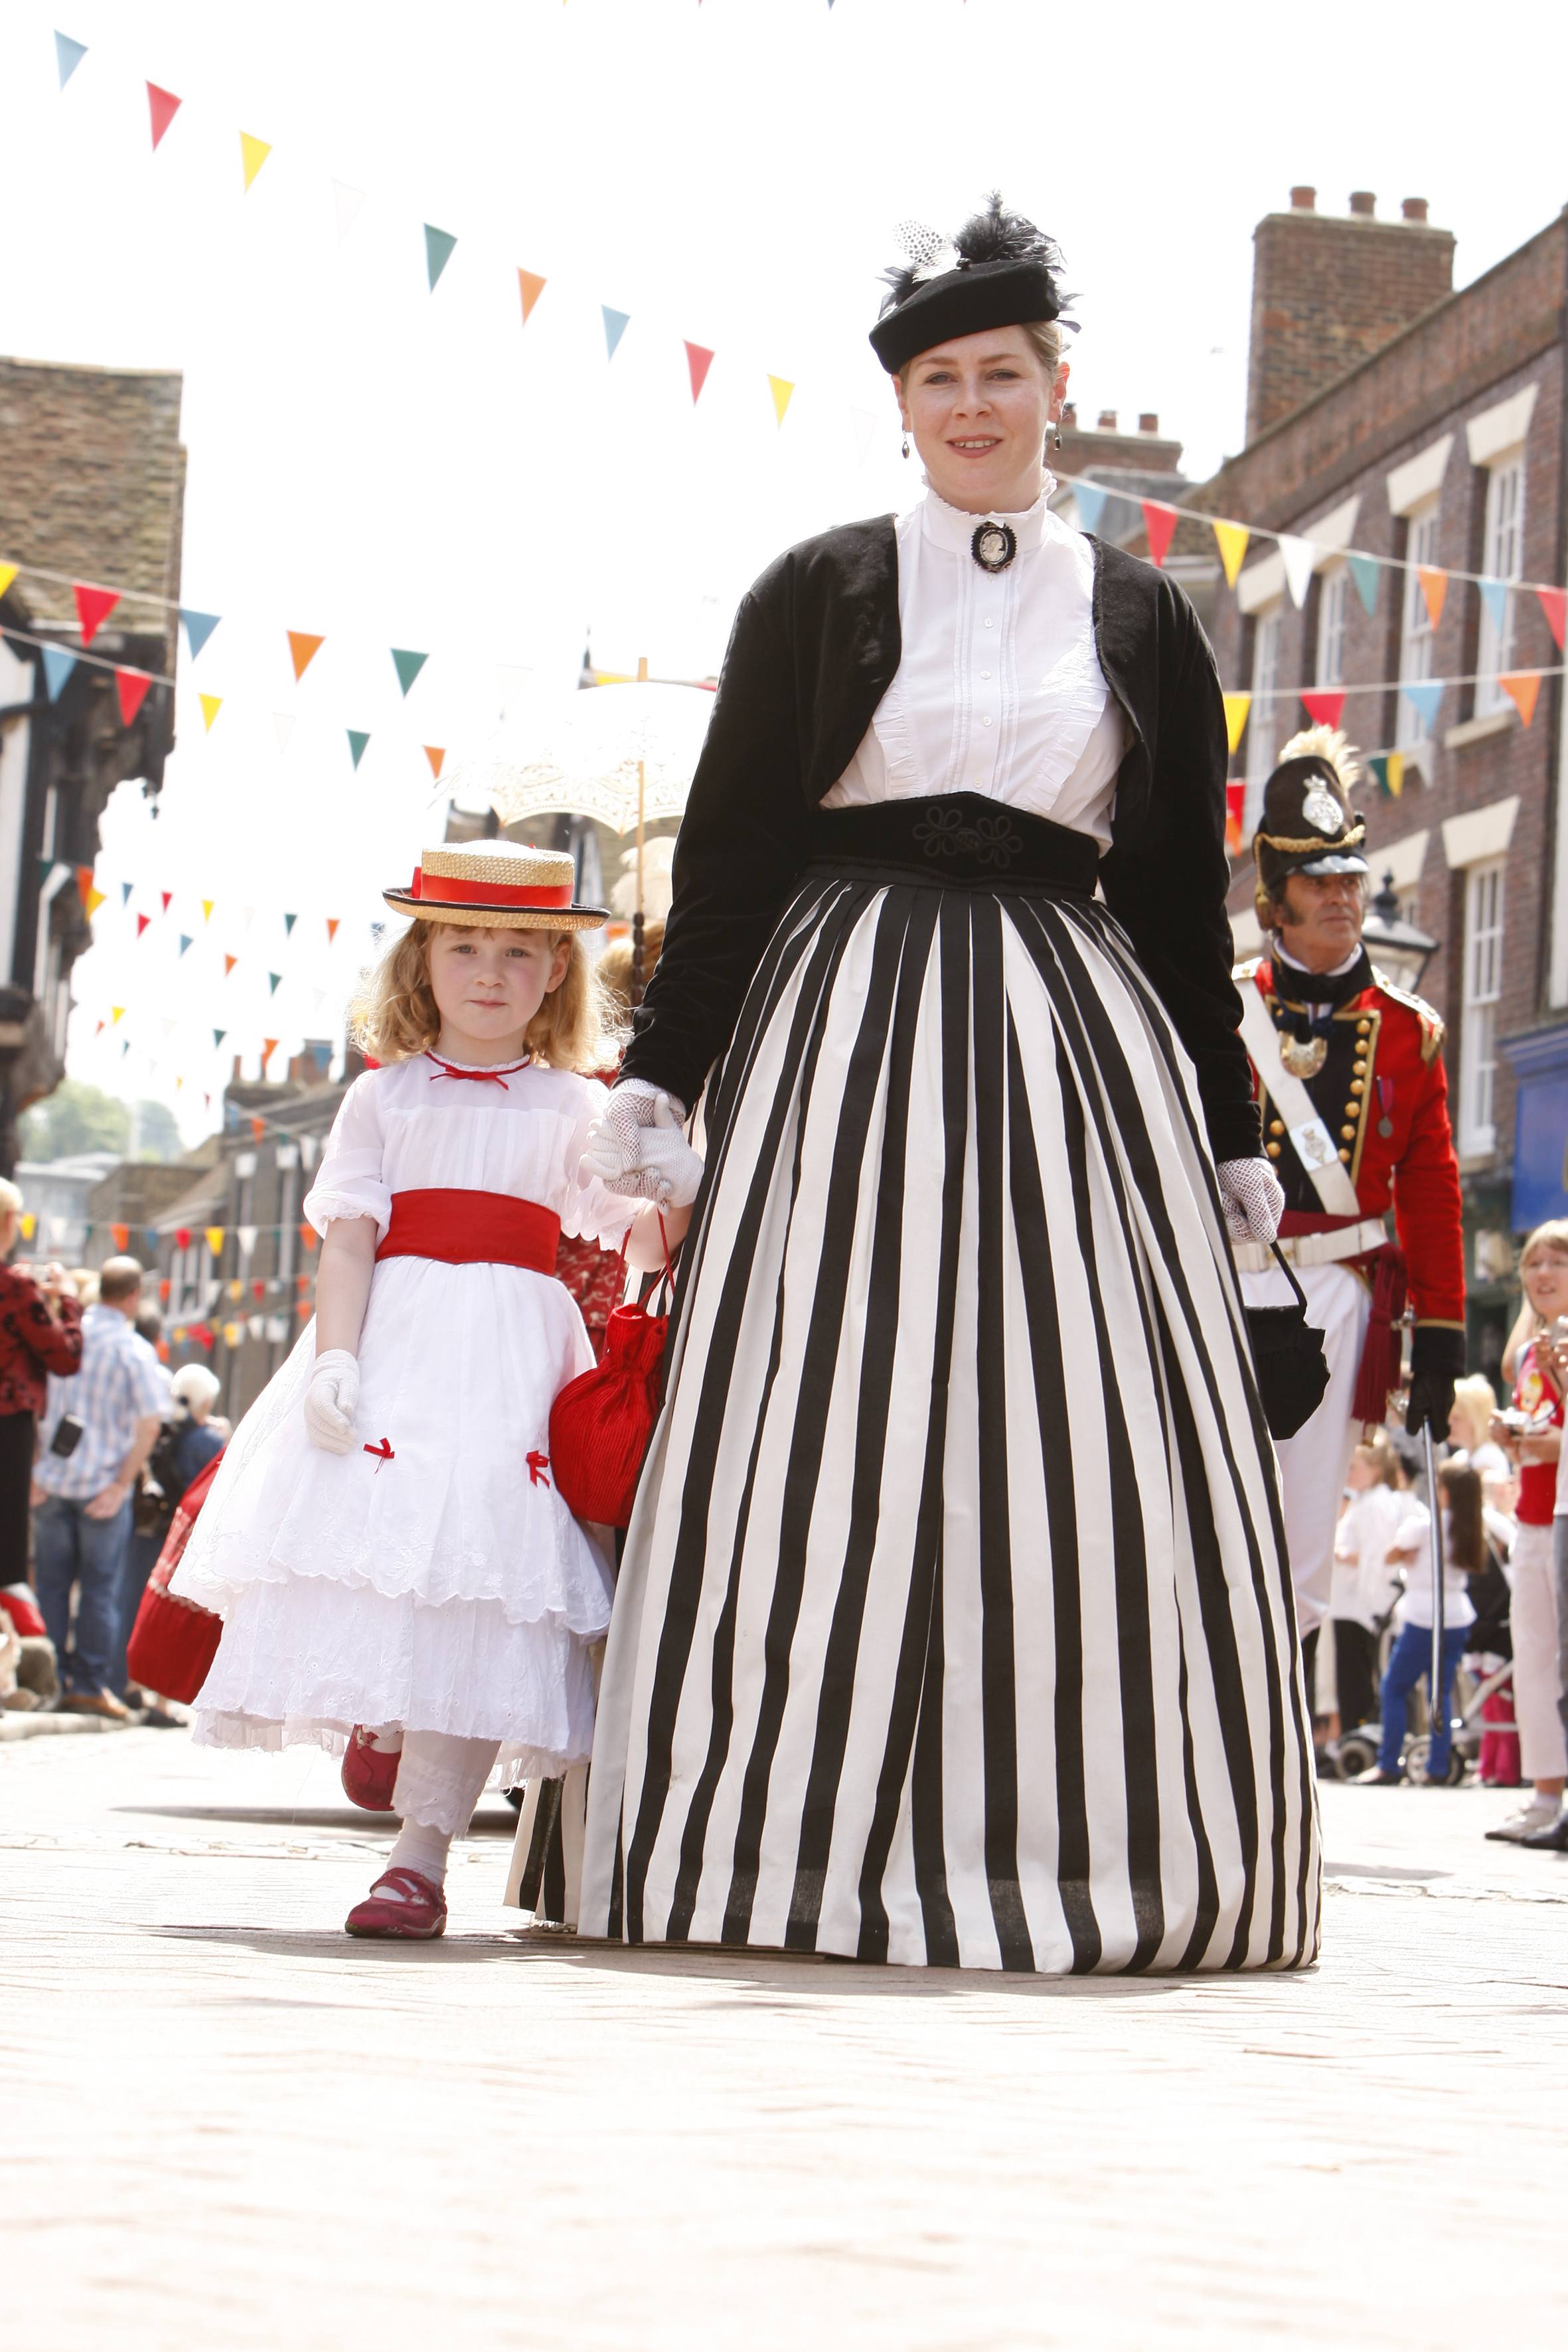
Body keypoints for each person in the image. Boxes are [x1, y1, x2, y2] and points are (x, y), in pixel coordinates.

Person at [576, 198, 1318, 1975]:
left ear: (1060, 387)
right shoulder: (820, 586)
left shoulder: (1143, 611)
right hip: (840, 1020)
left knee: (1089, 1427)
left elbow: (1168, 895)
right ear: (899, 403)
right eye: (939, 378)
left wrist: (1221, 1123)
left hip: (1076, 1037)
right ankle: (777, 1846)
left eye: (1003, 371)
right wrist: (666, 1072)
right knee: (816, 1417)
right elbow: (741, 845)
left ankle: (1102, 1849)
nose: (973, 404)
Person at [172, 842, 653, 1940]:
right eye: (465, 946)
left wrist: (667, 1166)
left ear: (555, 975)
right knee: (387, 1547)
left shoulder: (578, 1106)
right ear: (421, 963)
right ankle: (388, 1711)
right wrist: (335, 1358)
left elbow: (630, 1230)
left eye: (520, 950)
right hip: (396, 1340)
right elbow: (349, 1240)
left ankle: (420, 1854)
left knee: (486, 1577)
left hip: (520, 1356)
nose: (491, 972)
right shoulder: (380, 1097)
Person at [1232, 730, 1466, 1707]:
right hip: (1213, 1273)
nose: (1340, 895)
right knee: (1200, 1494)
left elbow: (1431, 1186)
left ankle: (1272, 1708)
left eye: (1350, 879)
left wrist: (1443, 1332)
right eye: (1317, 881)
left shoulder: (1407, 1031)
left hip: (1336, 1290)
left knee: (1298, 1514)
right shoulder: (1218, 1008)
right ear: (1274, 897)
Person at [31, 1255, 167, 1717]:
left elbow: (32, 1400)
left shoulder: (65, 1332)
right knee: (99, 1591)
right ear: (132, 1296)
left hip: (50, 1482)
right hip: (103, 1489)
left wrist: (33, 1470)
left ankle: (46, 1682)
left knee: (49, 1587)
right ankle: (87, 1686)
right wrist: (122, 1483)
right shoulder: (132, 1350)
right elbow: (150, 1423)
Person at [1482, 1223, 1568, 1843]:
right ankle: (1544, 1793)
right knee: (1534, 1658)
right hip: (1533, 1517)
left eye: (1557, 1262)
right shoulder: (1531, 1352)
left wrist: (1549, 1440)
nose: (1543, 1274)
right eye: (1534, 1263)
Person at [112, 1361, 226, 1713]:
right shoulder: (207, 1440)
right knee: (173, 1620)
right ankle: (161, 1702)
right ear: (205, 1403)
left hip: (148, 1529)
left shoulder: (160, 1430)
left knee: (136, 1607)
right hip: (185, 1539)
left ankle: (126, 1683)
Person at [1362, 1461, 1480, 1784]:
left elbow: (1390, 1555)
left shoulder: (1426, 1526)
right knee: (1439, 1692)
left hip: (1423, 1615)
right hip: (1456, 1614)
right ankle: (1438, 1766)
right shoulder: (1470, 1527)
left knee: (1394, 1687)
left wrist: (1405, 1556)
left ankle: (1388, 1763)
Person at [0, 1179, 83, 1571]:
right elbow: (65, 1357)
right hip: (7, 1423)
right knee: (8, 1547)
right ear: (9, 1221)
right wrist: (68, 1300)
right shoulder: (15, 1288)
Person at [1330, 1431, 1405, 1737]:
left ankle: (1360, 1734)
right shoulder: (1364, 1502)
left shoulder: (1378, 1504)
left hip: (1361, 1605)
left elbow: (1380, 1554)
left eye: (1355, 1467)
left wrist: (1342, 1555)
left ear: (1375, 1469)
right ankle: (1353, 1734)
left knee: (1358, 1676)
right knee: (1350, 1676)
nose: (1349, 1473)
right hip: (1348, 1603)